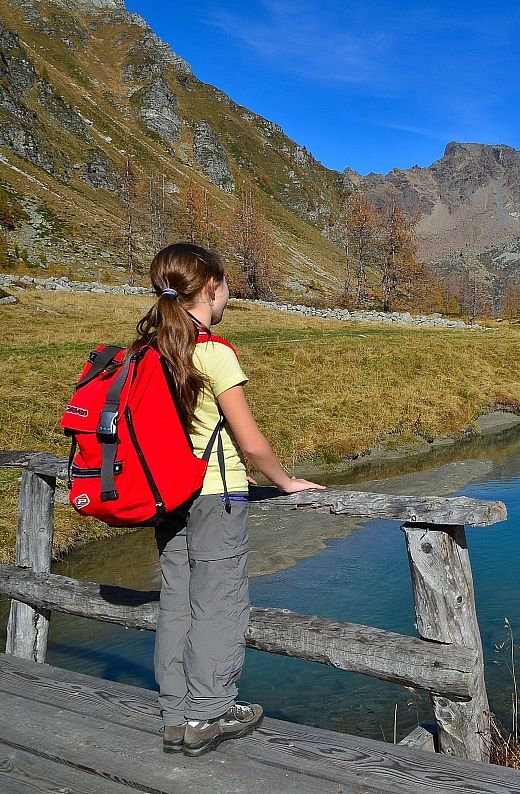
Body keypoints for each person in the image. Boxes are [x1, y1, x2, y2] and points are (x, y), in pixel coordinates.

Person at [131, 242, 324, 757]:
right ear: (211, 288)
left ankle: (176, 716)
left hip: (167, 495)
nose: (229, 297)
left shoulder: (150, 348)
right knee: (219, 605)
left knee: (177, 604)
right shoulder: (212, 351)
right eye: (226, 287)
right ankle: (208, 713)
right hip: (216, 497)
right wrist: (285, 482)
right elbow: (250, 441)